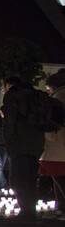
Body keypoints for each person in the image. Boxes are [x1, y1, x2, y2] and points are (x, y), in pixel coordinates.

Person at [2, 76, 48, 220]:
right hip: (36, 143)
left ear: (9, 85)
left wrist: (8, 141)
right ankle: (31, 209)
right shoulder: (35, 95)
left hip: (19, 143)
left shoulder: (12, 96)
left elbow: (10, 122)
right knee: (30, 178)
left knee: (18, 178)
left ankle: (25, 210)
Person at [40, 69, 65, 214]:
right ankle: (60, 206)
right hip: (60, 145)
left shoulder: (58, 99)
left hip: (58, 145)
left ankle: (61, 206)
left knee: (59, 177)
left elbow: (52, 123)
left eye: (48, 89)